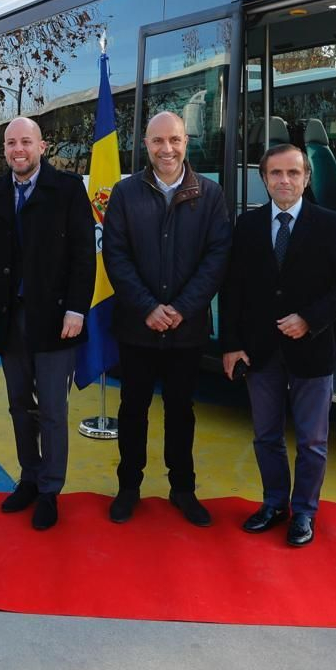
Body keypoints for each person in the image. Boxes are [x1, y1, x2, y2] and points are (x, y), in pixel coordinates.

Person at [220, 143, 336, 547]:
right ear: (263, 178)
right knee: (265, 436)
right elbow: (232, 290)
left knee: (313, 441)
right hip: (259, 351)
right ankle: (274, 504)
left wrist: (310, 320)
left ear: (306, 178)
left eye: (293, 173)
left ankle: (303, 512)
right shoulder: (246, 226)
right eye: (276, 174)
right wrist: (230, 344)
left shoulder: (330, 225)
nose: (285, 181)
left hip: (312, 351)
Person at [102, 111, 232, 527]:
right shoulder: (124, 194)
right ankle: (128, 488)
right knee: (132, 409)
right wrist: (147, 307)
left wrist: (181, 308)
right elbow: (116, 257)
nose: (167, 149)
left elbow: (217, 258)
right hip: (136, 326)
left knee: (181, 411)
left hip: (186, 329)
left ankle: (183, 489)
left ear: (186, 142)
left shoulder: (210, 195)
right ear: (145, 144)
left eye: (174, 140)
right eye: (158, 141)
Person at [0, 116, 95, 531]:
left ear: (42, 147)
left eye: (26, 141)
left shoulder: (67, 189)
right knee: (19, 404)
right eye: (11, 143)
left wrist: (77, 309)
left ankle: (49, 490)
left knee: (53, 410)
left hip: (57, 318)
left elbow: (84, 255)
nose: (18, 149)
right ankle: (28, 476)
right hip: (9, 319)